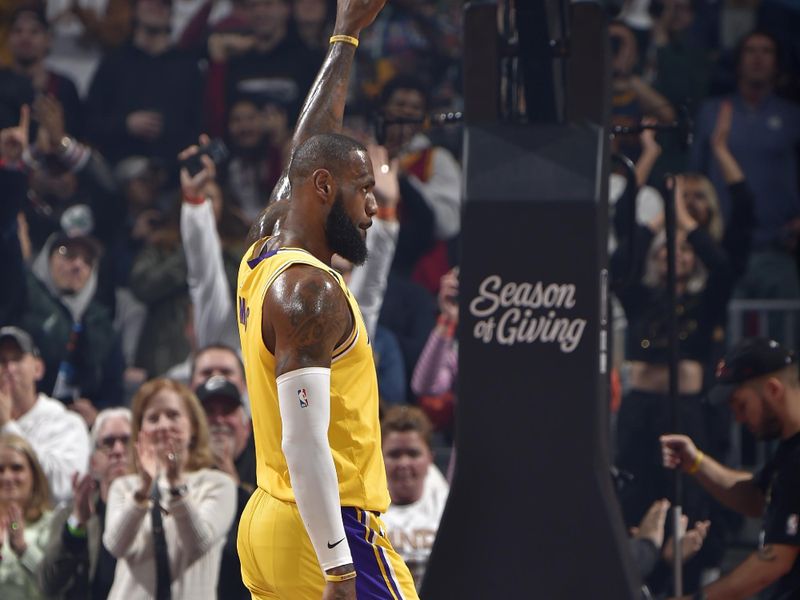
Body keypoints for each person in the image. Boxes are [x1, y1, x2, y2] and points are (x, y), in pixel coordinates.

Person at [235, 0, 418, 598]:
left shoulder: (265, 248)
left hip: (268, 518)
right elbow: (304, 440)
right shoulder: (309, 292)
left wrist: (345, 37)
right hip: (326, 527)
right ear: (324, 189)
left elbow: (310, 145)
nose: (371, 208)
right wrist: (340, 569)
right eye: (364, 191)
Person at [662, 337, 800, 600]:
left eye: (741, 404)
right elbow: (758, 498)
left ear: (773, 389)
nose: (737, 418)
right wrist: (696, 463)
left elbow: (773, 563)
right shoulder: (789, 451)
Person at [103, 378, 236, 599]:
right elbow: (116, 545)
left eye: (173, 415)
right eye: (153, 418)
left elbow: (198, 544)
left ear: (193, 426)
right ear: (141, 430)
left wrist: (176, 487)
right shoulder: (125, 487)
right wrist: (143, 490)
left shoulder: (217, 484)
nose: (163, 425)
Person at [39, 407, 133, 600]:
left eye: (126, 441)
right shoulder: (71, 515)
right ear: (93, 462)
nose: (118, 450)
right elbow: (48, 584)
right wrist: (77, 525)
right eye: (108, 443)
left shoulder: (159, 509)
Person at [0, 326, 91, 505]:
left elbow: (63, 488)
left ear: (38, 368)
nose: (9, 368)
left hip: (48, 529)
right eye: (2, 361)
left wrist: (7, 426)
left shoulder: (65, 423)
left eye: (17, 359)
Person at [380, 405, 448, 589]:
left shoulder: (451, 509)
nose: (404, 463)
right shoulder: (363, 514)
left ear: (430, 458)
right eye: (394, 455)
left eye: (413, 453)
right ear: (379, 459)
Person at [0, 432, 55, 600]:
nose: (7, 477)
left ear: (34, 474)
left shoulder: (52, 524)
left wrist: (22, 548)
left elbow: (56, 584)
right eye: (0, 470)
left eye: (16, 468)